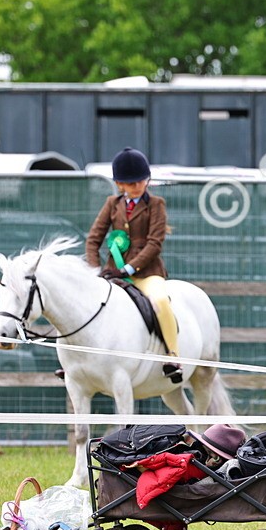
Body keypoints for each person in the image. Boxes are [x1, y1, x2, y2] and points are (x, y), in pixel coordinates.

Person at [85, 147, 181, 382]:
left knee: (160, 302)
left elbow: (154, 243)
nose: (137, 186)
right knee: (87, 307)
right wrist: (95, 271)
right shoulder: (112, 204)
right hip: (112, 273)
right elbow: (93, 239)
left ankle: (173, 355)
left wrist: (129, 269)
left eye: (140, 181)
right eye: (131, 183)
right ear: (120, 184)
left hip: (147, 273)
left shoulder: (156, 204)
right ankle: (77, 363)